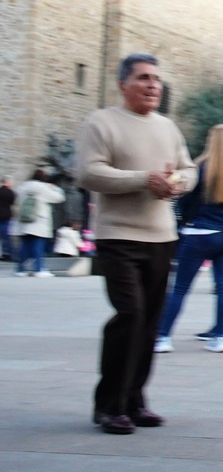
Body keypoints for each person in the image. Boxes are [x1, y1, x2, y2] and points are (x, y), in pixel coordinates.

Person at [76, 52, 196, 434]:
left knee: (149, 321)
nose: (152, 86)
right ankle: (108, 405)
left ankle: (134, 399)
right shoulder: (102, 122)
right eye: (144, 78)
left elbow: (189, 169)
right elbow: (89, 173)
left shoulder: (167, 127)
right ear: (123, 84)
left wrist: (177, 183)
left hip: (162, 237)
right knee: (129, 314)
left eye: (156, 80)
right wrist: (144, 179)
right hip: (118, 236)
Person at [155, 125, 223, 354]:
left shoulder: (201, 168)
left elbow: (184, 203)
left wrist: (184, 222)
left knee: (180, 288)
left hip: (201, 233)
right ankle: (221, 337)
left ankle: (163, 337)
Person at [14, 169, 66, 277]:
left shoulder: (23, 186)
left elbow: (16, 198)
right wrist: (55, 188)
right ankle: (39, 269)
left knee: (25, 246)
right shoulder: (43, 187)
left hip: (24, 220)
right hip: (38, 220)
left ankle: (20, 269)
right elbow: (59, 198)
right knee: (38, 246)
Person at [0, 175, 15, 261]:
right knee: (7, 237)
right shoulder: (10, 193)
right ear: (7, 182)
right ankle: (8, 254)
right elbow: (12, 202)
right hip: (6, 216)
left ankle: (2, 253)